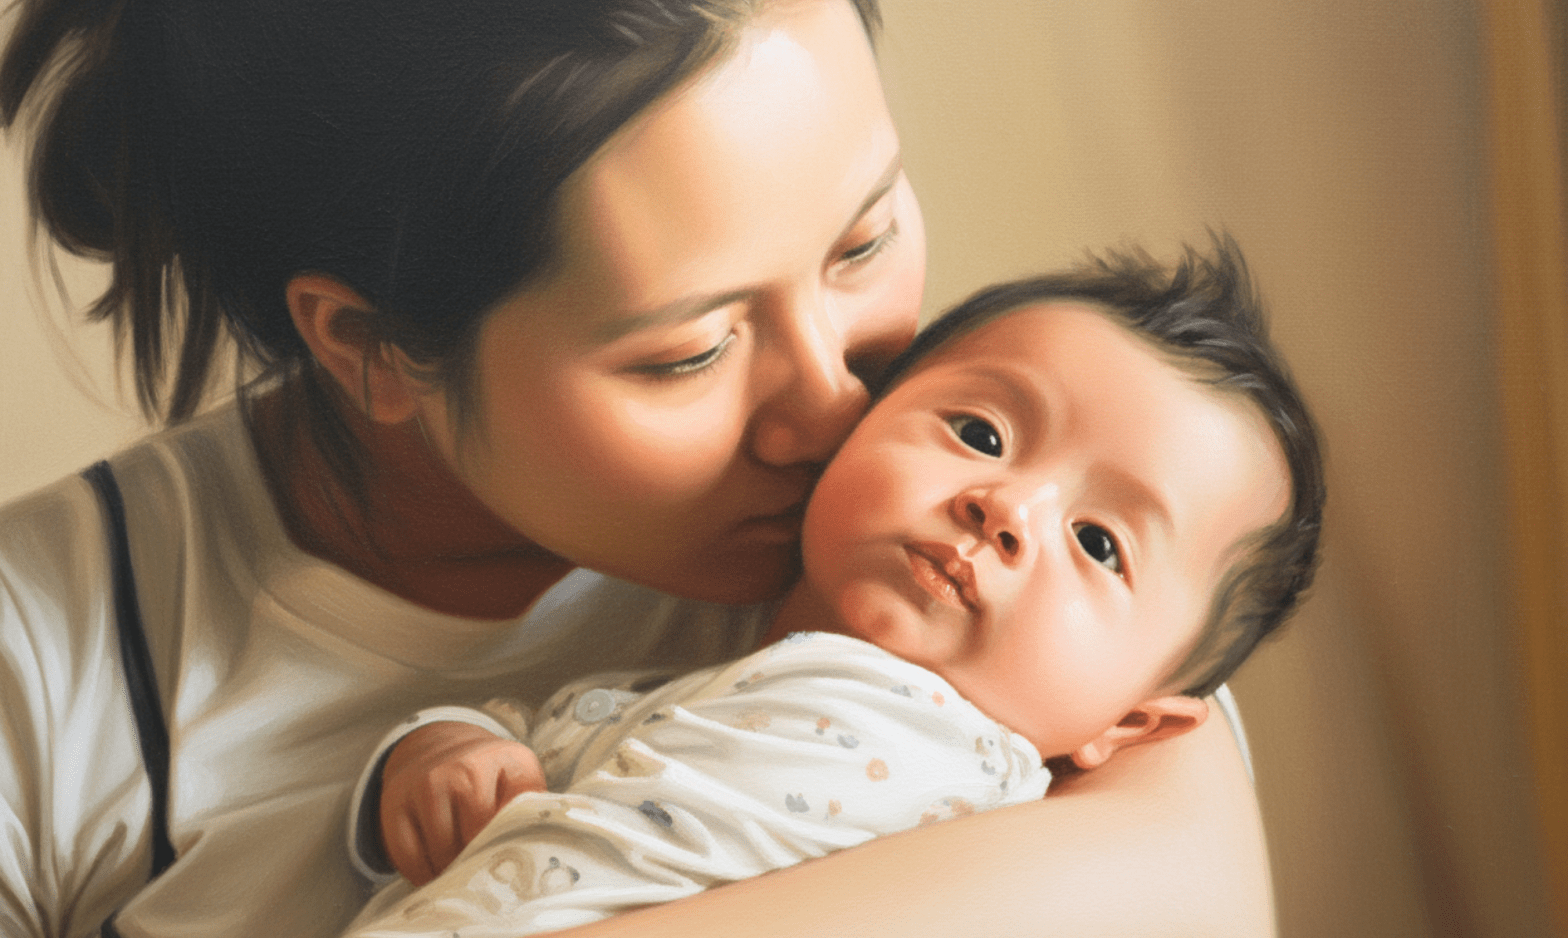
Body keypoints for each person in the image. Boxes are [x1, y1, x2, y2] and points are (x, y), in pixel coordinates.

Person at [0, 0, 1282, 936]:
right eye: (690, 351)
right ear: (373, 345)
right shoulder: (47, 665)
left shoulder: (1014, 581)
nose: (831, 405)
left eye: (861, 241)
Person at [337, 241, 1324, 938]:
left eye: (1099, 542)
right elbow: (539, 750)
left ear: (1136, 722)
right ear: (856, 421)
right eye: (979, 433)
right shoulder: (681, 673)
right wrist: (441, 749)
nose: (1005, 508)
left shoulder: (988, 802)